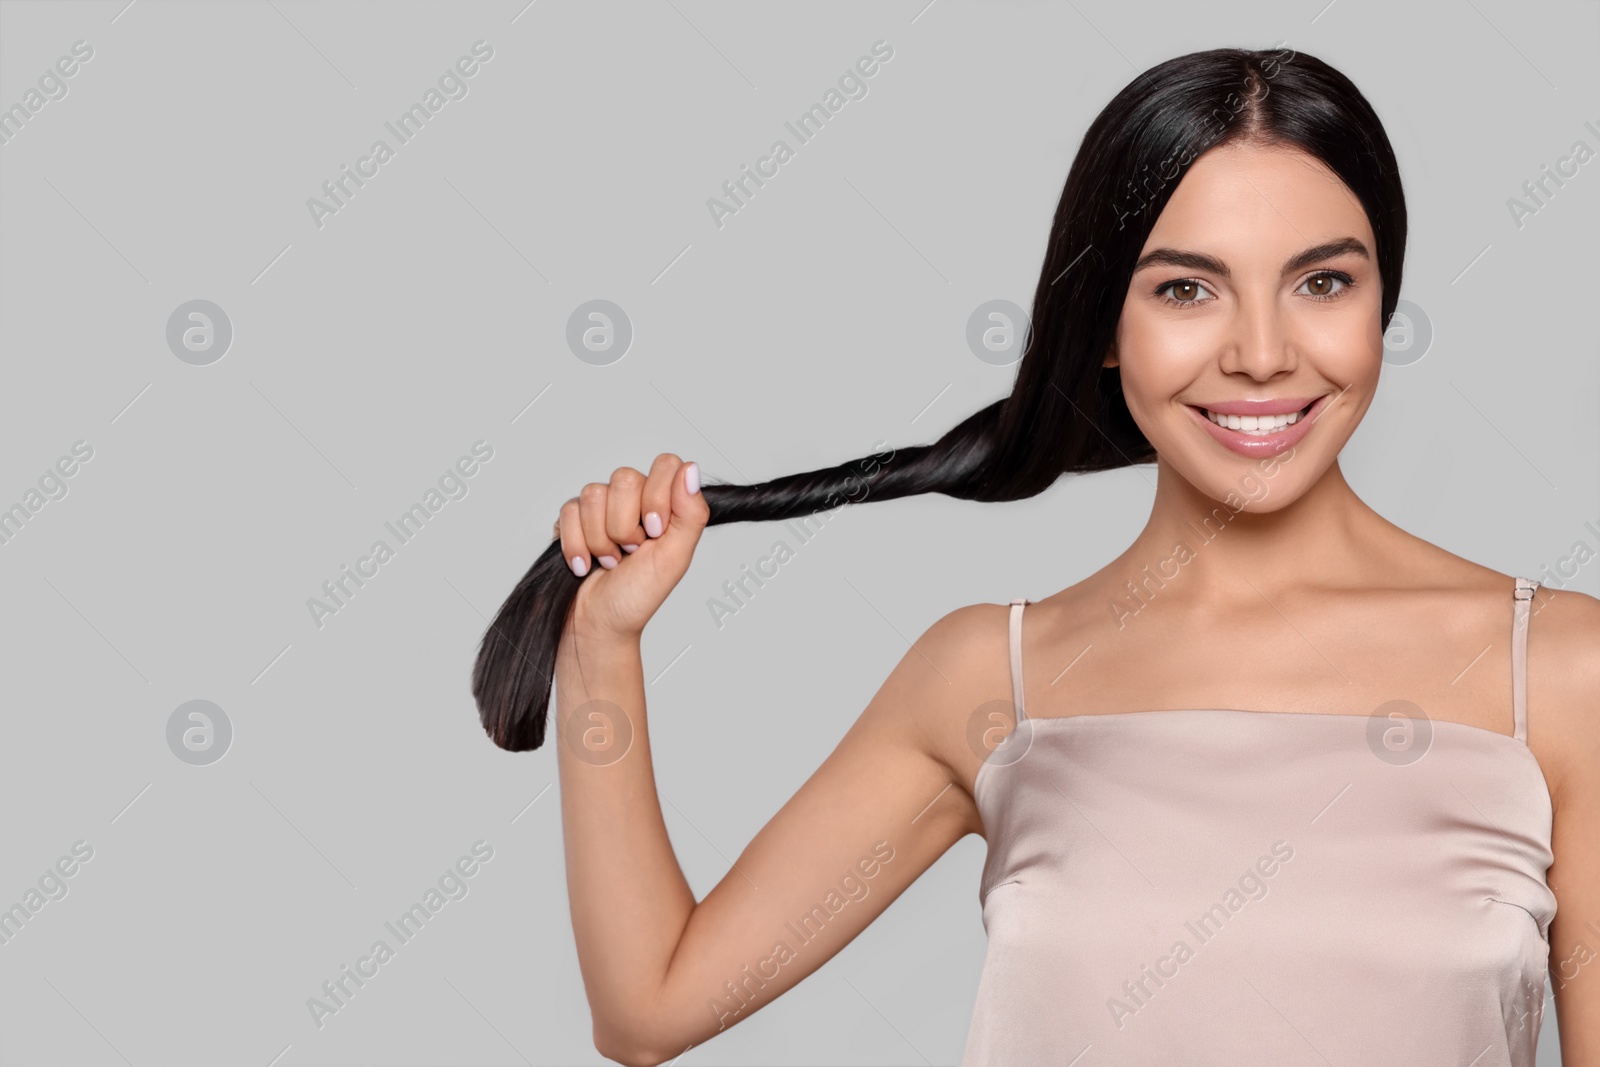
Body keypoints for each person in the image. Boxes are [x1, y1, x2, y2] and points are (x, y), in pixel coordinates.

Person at [474, 45, 1600, 1065]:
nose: (1262, 352)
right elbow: (650, 1005)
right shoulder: (988, 675)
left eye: (1321, 281)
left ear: (1380, 302)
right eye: (1184, 289)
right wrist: (605, 644)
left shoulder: (1557, 668)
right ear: (1104, 326)